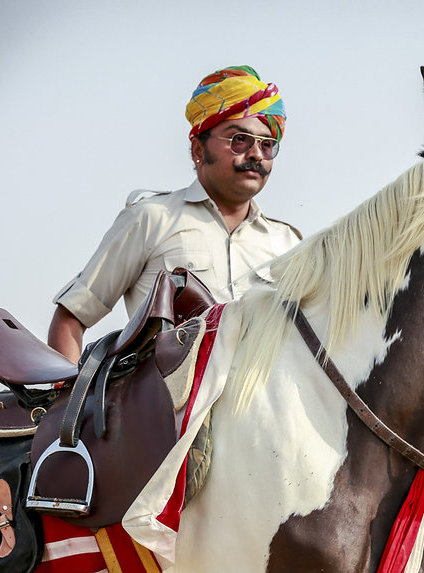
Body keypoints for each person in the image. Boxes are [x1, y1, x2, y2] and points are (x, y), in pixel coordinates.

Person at [47, 65, 301, 361]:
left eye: (267, 145)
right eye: (239, 140)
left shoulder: (288, 243)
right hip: (167, 404)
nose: (256, 154)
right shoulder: (152, 219)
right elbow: (71, 318)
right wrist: (69, 399)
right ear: (198, 149)